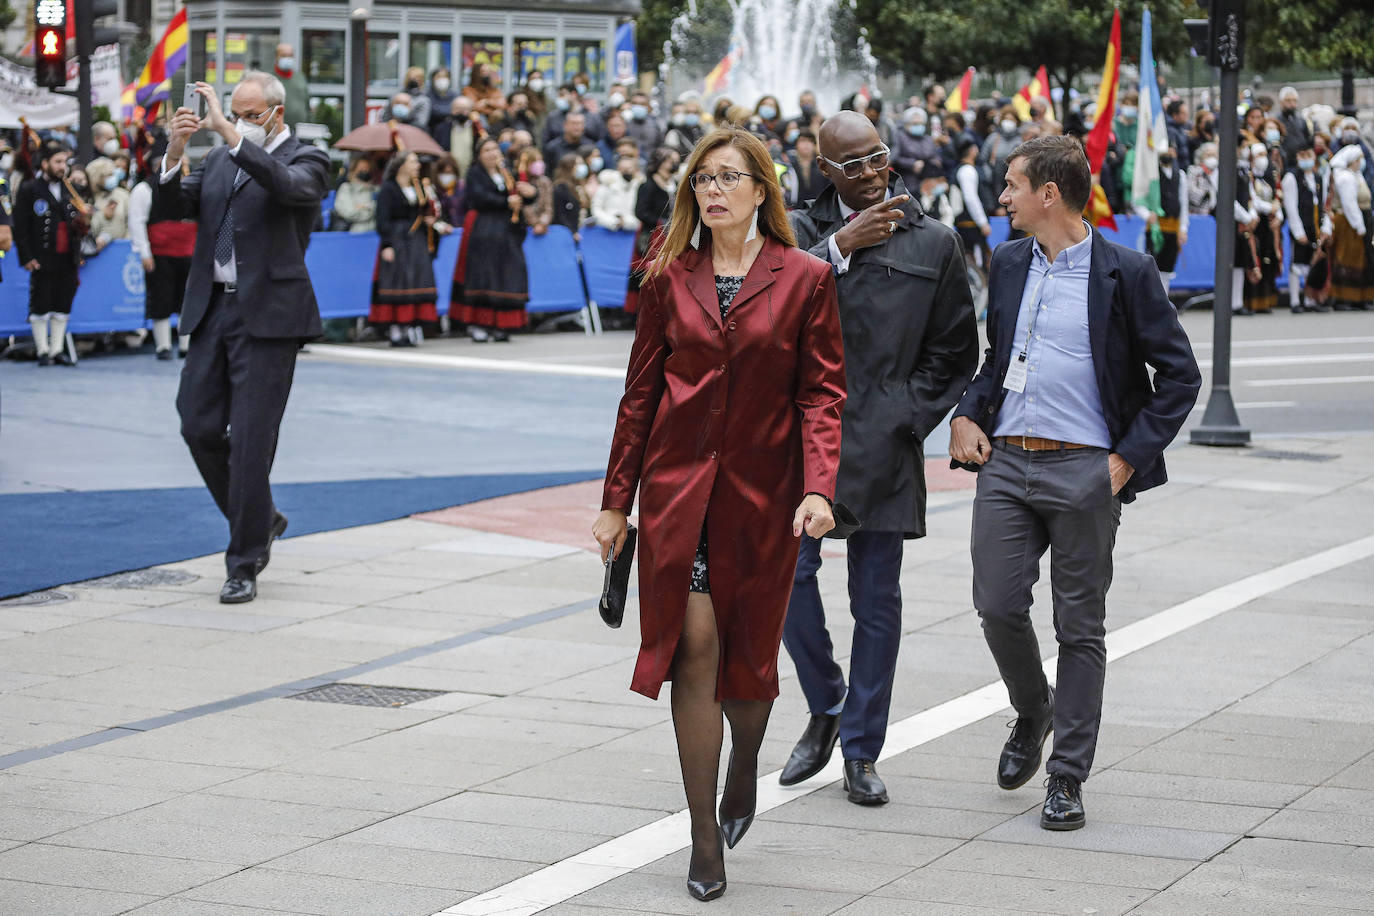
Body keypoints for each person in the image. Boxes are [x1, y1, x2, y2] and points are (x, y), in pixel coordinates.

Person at [592, 125, 845, 902]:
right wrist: (615, 504)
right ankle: (705, 837)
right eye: (702, 181)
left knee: (751, 669)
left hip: (766, 498)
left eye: (730, 177)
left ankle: (745, 770)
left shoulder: (804, 277)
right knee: (693, 648)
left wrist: (818, 487)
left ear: (761, 190)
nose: (714, 191)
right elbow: (640, 397)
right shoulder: (669, 275)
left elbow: (822, 392)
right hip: (678, 496)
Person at [948, 135, 1201, 832]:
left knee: (1079, 626)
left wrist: (1124, 461)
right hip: (1006, 464)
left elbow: (1180, 376)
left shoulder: (1127, 271)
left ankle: (1067, 778)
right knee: (996, 604)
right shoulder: (1005, 263)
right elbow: (997, 361)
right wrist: (968, 415)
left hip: (1086, 469)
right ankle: (1034, 710)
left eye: (1012, 185)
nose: (1003, 198)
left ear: (1048, 194)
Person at [779, 111, 979, 804]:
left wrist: (907, 415)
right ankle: (828, 702)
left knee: (877, 601)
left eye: (877, 159)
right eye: (851, 166)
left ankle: (862, 749)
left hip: (883, 441)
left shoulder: (936, 243)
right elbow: (758, 303)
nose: (869, 175)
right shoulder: (797, 234)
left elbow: (956, 350)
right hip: (799, 440)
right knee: (783, 581)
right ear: (824, 171)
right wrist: (837, 245)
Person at [158, 74, 330, 603]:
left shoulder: (310, 157)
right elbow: (172, 208)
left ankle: (244, 561)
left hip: (271, 317)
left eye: (250, 115)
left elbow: (290, 188)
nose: (238, 122)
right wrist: (176, 148)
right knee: (198, 424)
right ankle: (261, 517)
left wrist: (232, 139)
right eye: (234, 113)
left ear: (277, 113)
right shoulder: (217, 161)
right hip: (213, 310)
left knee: (252, 443)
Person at [451, 136, 533, 342]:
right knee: (483, 276)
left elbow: (521, 196)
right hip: (484, 230)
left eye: (495, 149)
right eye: (486, 150)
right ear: (478, 156)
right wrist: (505, 201)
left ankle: (501, 325)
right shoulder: (475, 175)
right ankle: (479, 324)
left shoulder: (507, 173)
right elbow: (477, 197)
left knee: (506, 275)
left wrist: (531, 193)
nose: (492, 154)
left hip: (507, 232)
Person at [14, 141, 88, 367]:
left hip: (66, 256)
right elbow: (21, 226)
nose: (62, 167)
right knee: (41, 302)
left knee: (62, 302)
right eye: (57, 162)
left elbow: (76, 223)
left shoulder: (70, 189)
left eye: (64, 162)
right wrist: (26, 257)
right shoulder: (30, 189)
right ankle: (42, 351)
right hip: (42, 256)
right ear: (45, 163)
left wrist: (84, 222)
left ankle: (56, 350)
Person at [369, 151, 448, 346]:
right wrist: (387, 244)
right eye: (412, 161)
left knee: (415, 281)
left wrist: (431, 218)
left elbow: (426, 211)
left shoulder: (420, 187)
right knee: (397, 281)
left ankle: (410, 327)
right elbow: (382, 218)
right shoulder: (388, 188)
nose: (417, 165)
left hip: (416, 240)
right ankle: (396, 329)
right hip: (397, 238)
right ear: (401, 165)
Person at [128, 161, 195, 359]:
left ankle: (186, 345)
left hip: (188, 251)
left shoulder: (190, 185)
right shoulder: (144, 189)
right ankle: (163, 346)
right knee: (161, 298)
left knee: (188, 299)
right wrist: (144, 252)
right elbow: (136, 221)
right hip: (159, 252)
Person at [626, 146, 678, 313]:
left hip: (672, 234)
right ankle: (641, 310)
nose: (675, 164)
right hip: (651, 236)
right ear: (661, 163)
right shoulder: (647, 185)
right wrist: (659, 222)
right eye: (672, 160)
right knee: (647, 272)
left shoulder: (674, 183)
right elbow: (640, 211)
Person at [1137, 145, 1189, 295]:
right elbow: (1138, 200)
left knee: (1168, 267)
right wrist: (1147, 215)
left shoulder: (1180, 175)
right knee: (1154, 266)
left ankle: (1164, 298)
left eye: (1170, 150)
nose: (1168, 153)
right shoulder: (1151, 175)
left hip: (1173, 227)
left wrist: (1183, 228)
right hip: (1156, 227)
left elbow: (1183, 202)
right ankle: (1152, 300)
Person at [1327, 145, 1374, 311]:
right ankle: (1343, 297)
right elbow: (1349, 204)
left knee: (1362, 259)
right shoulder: (1345, 177)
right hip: (1350, 223)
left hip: (1362, 219)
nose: (1361, 162)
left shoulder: (1356, 175)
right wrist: (1359, 225)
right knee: (1347, 259)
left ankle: (1360, 296)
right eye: (1358, 159)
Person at [1282, 145, 1324, 313]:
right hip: (1301, 225)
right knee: (1296, 263)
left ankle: (1310, 299)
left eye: (1309, 154)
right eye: (1303, 155)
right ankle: (1294, 300)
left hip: (1315, 226)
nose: (1306, 158)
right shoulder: (1292, 178)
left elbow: (1322, 203)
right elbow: (1291, 206)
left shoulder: (1318, 177)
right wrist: (1298, 231)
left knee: (1311, 262)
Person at [1243, 142, 1284, 314]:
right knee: (1256, 259)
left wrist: (1278, 215)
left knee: (1269, 259)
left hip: (1269, 223)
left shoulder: (1271, 176)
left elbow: (1277, 197)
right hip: (1256, 221)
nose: (1261, 159)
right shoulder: (1249, 176)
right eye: (1257, 156)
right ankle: (1252, 301)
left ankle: (1267, 300)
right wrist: (1269, 209)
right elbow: (1252, 198)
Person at [954, 137, 991, 268]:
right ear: (972, 150)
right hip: (970, 224)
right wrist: (982, 223)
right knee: (975, 261)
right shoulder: (967, 170)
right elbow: (971, 198)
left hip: (970, 223)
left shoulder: (964, 169)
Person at [85, 157, 130, 252]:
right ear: (97, 178)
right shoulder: (90, 199)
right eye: (108, 175)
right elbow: (90, 229)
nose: (113, 177)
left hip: (123, 249)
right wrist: (103, 215)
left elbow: (131, 223)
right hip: (98, 251)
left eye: (113, 174)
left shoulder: (123, 195)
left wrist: (127, 243)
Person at [591, 150, 642, 232]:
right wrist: (613, 221)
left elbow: (640, 213)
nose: (627, 171)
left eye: (629, 168)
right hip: (606, 229)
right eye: (623, 169)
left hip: (630, 232)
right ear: (618, 169)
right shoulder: (608, 182)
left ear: (635, 169)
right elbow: (596, 208)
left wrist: (626, 221)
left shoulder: (639, 185)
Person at [892, 108, 940, 193]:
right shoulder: (899, 137)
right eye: (915, 124)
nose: (919, 126)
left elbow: (936, 155)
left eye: (921, 124)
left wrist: (935, 163)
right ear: (906, 124)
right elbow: (895, 158)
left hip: (928, 184)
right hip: (908, 183)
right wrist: (912, 164)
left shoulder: (928, 139)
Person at [433, 96, 483, 173]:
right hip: (449, 173)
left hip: (472, 173)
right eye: (457, 108)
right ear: (451, 110)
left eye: (464, 109)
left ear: (470, 110)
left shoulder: (477, 129)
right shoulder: (441, 129)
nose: (461, 112)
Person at [332, 157, 378, 233]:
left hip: (374, 235)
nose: (365, 171)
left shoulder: (376, 190)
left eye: (368, 168)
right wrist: (372, 208)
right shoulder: (346, 188)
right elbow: (350, 213)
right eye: (362, 168)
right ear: (353, 171)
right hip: (353, 236)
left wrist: (364, 207)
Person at [273, 43, 309, 130]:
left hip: (299, 130)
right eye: (284, 56)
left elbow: (306, 102)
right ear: (276, 57)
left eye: (290, 56)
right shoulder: (270, 79)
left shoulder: (300, 77)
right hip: (276, 129)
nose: (287, 59)